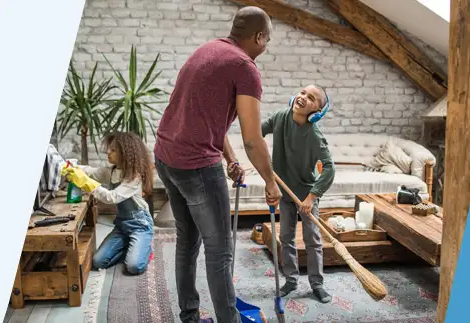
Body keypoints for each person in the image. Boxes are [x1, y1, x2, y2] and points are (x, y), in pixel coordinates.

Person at [153, 6, 282, 323]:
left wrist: (231, 158)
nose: (266, 47)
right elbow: (253, 138)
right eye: (267, 40)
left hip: (165, 156)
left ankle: (190, 317)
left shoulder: (208, 50)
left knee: (188, 241)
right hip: (195, 165)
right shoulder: (245, 68)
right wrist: (270, 181)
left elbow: (207, 120)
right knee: (221, 251)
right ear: (258, 36)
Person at [261, 84, 336, 303]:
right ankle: (291, 280)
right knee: (286, 237)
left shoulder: (314, 135)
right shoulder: (280, 118)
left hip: (306, 194)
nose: (303, 97)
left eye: (311, 98)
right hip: (284, 191)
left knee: (312, 239)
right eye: (303, 92)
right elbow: (257, 132)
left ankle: (317, 284)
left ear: (317, 113)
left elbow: (330, 167)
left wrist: (311, 198)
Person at [62, 132, 154, 276]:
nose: (108, 153)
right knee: (98, 261)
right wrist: (73, 167)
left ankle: (145, 250)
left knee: (134, 267)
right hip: (122, 226)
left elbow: (112, 198)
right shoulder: (111, 171)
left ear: (125, 153)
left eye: (113, 150)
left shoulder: (134, 177)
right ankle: (131, 246)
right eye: (108, 149)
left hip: (140, 226)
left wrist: (87, 184)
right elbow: (92, 172)